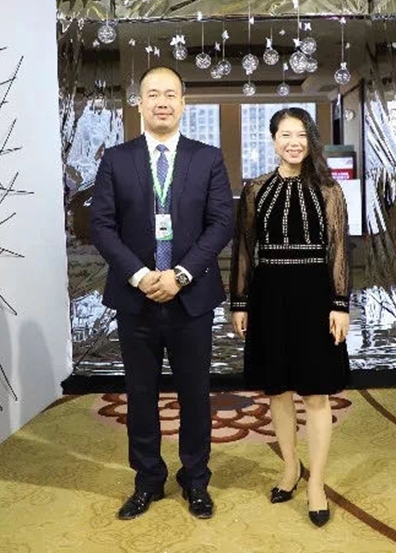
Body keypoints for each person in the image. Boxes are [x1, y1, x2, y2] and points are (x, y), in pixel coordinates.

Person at [90, 66, 234, 521]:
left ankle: (196, 480)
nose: (162, 102)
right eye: (153, 94)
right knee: (140, 395)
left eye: (171, 94)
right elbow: (101, 226)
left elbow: (221, 224)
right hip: (136, 299)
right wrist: (139, 275)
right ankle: (147, 480)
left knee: (195, 394)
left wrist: (182, 275)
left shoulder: (208, 158)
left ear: (183, 103)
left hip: (191, 298)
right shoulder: (116, 159)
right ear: (140, 103)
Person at [230, 107, 351, 527]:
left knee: (316, 395)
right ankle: (289, 468)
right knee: (277, 391)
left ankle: (316, 483)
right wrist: (240, 303)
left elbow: (339, 249)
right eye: (285, 135)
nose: (293, 142)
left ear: (310, 140)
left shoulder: (329, 191)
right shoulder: (255, 189)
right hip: (268, 298)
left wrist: (340, 303)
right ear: (273, 140)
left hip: (315, 298)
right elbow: (244, 249)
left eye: (301, 135)